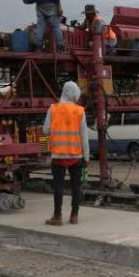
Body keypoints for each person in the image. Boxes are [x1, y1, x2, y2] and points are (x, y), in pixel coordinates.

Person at [42, 80, 90, 226]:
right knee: (76, 186)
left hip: (58, 156)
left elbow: (45, 130)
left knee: (58, 186)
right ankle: (74, 216)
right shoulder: (79, 111)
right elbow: (84, 136)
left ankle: (57, 216)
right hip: (76, 156)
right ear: (73, 94)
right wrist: (86, 156)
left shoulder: (53, 109)